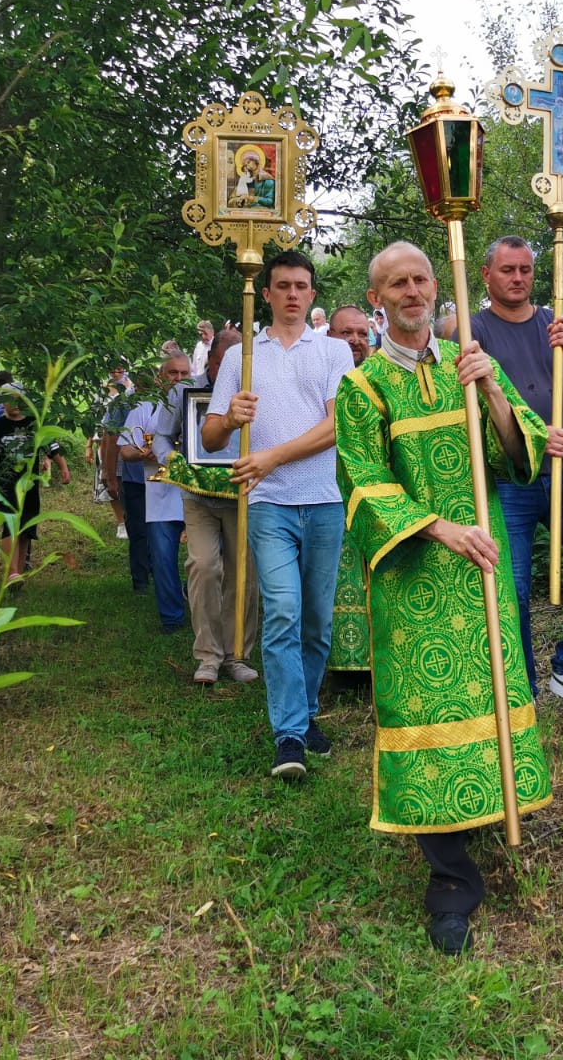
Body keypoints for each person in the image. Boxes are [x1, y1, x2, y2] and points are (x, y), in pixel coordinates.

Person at [335, 240, 557, 956]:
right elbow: (362, 482)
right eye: (396, 283)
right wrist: (439, 528)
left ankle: (489, 809)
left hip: (481, 569)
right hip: (416, 580)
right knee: (428, 714)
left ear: (437, 287)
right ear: (377, 299)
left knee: (490, 695)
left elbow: (518, 456)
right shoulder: (364, 387)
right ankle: (452, 881)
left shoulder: (469, 362)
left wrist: (491, 390)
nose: (412, 292)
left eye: (421, 279)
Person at [204, 250, 352, 779]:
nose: (292, 294)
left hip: (324, 500)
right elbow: (210, 435)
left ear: (312, 294)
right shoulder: (243, 356)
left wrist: (271, 457)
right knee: (284, 611)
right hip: (268, 504)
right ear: (265, 294)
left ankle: (307, 712)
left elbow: (336, 426)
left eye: (301, 286)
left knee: (316, 620)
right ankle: (289, 734)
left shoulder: (334, 351)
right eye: (283, 285)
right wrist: (230, 420)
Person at [470, 236, 563, 716]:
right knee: (511, 588)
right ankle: (522, 693)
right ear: (486, 275)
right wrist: (534, 436)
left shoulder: (557, 325)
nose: (518, 278)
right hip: (508, 480)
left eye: (526, 269)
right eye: (508, 270)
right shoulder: (472, 331)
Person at [161, 328, 260, 683]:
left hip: (242, 495)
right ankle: (207, 656)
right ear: (211, 359)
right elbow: (162, 436)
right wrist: (174, 461)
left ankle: (237, 656)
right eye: (221, 364)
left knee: (243, 573)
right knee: (203, 567)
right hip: (198, 497)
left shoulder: (256, 390)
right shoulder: (184, 391)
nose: (227, 371)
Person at [123, 353, 191, 633]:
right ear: (161, 378)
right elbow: (125, 450)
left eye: (184, 373)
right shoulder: (143, 408)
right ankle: (172, 618)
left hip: (196, 493)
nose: (179, 379)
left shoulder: (201, 404)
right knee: (163, 559)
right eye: (173, 373)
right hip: (159, 494)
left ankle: (193, 593)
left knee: (213, 556)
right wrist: (143, 453)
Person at [0, 384, 71, 581]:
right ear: (2, 403)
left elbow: (52, 448)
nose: (15, 404)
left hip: (29, 482)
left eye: (20, 399)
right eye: (10, 400)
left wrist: (63, 468)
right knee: (10, 522)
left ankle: (18, 575)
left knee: (25, 526)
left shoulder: (33, 423)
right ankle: (10, 571)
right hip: (5, 482)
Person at [327, 306, 373, 673]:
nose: (356, 341)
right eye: (347, 333)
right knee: (335, 575)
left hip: (374, 492)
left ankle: (375, 659)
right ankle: (337, 660)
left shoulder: (380, 376)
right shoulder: (321, 373)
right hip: (329, 490)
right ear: (330, 337)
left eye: (362, 334)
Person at [100, 364, 150, 589]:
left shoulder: (163, 400)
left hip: (157, 476)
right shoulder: (122, 403)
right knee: (137, 526)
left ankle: (154, 567)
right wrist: (109, 474)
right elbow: (110, 438)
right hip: (132, 474)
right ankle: (140, 580)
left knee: (155, 526)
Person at [94, 363, 134, 540]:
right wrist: (90, 444)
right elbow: (97, 420)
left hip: (129, 447)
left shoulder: (131, 389)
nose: (117, 373)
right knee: (114, 482)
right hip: (108, 442)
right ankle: (122, 522)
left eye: (120, 369)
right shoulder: (103, 391)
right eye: (113, 369)